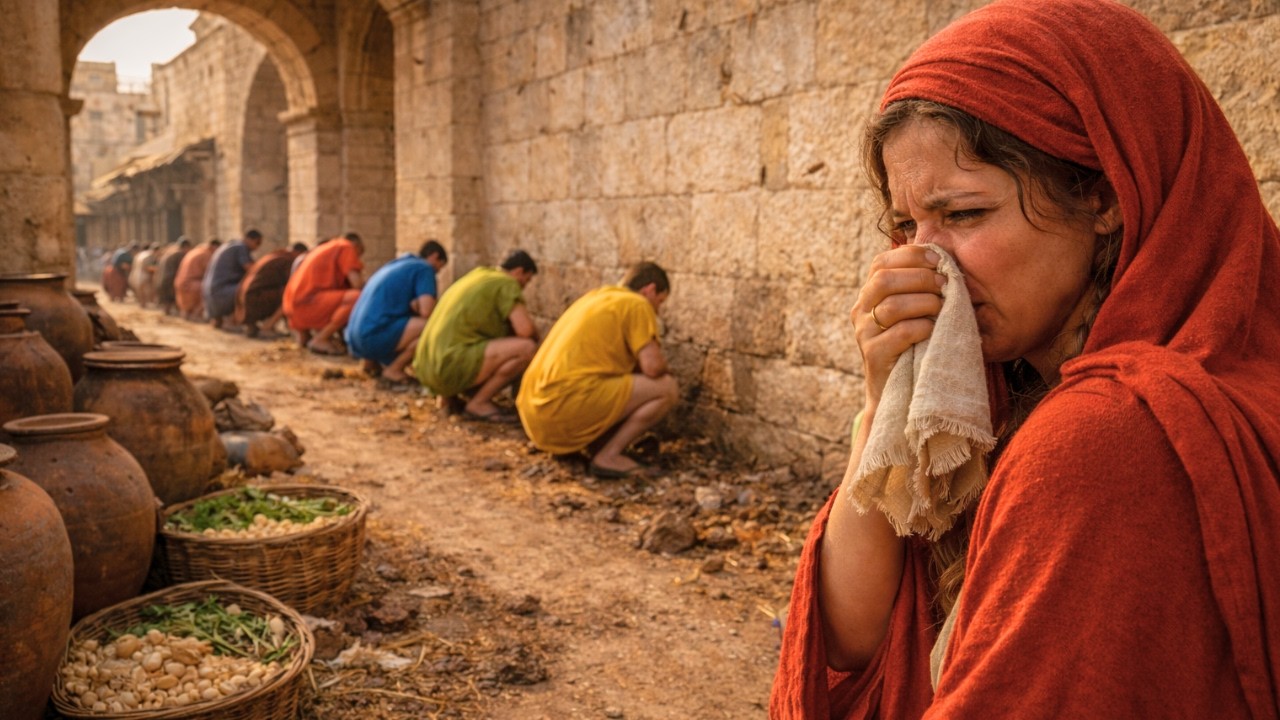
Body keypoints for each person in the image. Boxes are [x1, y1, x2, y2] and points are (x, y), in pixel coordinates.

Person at [771, 0, 1280, 717]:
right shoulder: (995, 399)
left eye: (964, 215)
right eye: (906, 225)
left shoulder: (1110, 437)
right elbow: (854, 642)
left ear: (1103, 198)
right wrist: (881, 400)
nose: (924, 263)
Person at [516, 261, 679, 478]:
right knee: (667, 388)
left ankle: (599, 446)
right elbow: (653, 367)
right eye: (660, 302)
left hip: (534, 417)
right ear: (649, 290)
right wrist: (668, 368)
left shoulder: (595, 298)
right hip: (560, 410)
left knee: (616, 380)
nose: (657, 311)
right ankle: (609, 457)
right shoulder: (637, 303)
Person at [412, 249, 539, 421]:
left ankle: (447, 397)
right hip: (447, 367)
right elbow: (525, 330)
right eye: (526, 280)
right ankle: (479, 403)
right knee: (527, 348)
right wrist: (538, 335)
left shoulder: (479, 275)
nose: (524, 286)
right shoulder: (506, 283)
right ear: (519, 271)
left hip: (425, 367)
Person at [345, 240, 449, 383]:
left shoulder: (396, 264)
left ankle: (370, 364)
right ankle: (394, 369)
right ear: (434, 256)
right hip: (372, 337)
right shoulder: (424, 268)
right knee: (435, 328)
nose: (437, 272)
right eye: (439, 267)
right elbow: (427, 311)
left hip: (354, 338)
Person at [282, 232, 365, 354]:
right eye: (358, 255)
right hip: (306, 305)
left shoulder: (327, 248)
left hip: (291, 308)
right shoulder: (346, 246)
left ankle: (308, 336)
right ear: (357, 246)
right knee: (357, 297)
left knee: (343, 297)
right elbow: (357, 284)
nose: (357, 261)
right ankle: (320, 339)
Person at [235, 242, 306, 338]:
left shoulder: (276, 255)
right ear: (298, 252)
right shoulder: (287, 259)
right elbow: (292, 284)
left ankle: (255, 325)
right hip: (252, 300)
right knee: (290, 295)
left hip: (242, 299)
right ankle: (268, 326)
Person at [203, 229, 263, 329]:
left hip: (209, 295)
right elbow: (251, 269)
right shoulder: (241, 248)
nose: (257, 247)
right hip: (221, 293)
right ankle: (250, 324)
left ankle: (219, 319)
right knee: (253, 290)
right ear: (249, 239)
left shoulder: (229, 245)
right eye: (257, 243)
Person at [173, 239, 220, 321]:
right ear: (214, 247)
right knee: (210, 290)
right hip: (191, 284)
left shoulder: (195, 251)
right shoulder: (205, 254)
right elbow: (210, 272)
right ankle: (196, 314)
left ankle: (187, 314)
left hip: (180, 282)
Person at [155, 236, 192, 315]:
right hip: (169, 281)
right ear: (186, 247)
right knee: (174, 299)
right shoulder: (179, 254)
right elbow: (181, 269)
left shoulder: (169, 253)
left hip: (161, 280)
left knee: (167, 302)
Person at [128, 243, 158, 308]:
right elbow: (147, 267)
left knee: (140, 292)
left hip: (135, 274)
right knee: (146, 291)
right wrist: (158, 269)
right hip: (144, 275)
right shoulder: (149, 255)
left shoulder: (140, 254)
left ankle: (142, 305)